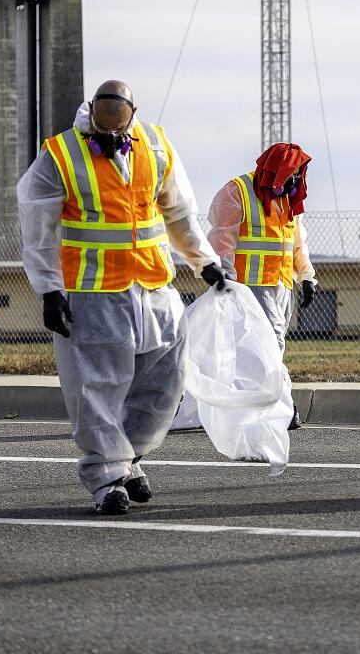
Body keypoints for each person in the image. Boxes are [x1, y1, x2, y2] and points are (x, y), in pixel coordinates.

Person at [17, 80, 225, 514]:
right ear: (91, 112)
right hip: (92, 293)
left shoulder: (156, 145)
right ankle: (107, 480)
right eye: (102, 130)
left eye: (118, 131)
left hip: (154, 288)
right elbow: (38, 229)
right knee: (96, 390)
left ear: (132, 115)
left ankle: (127, 459)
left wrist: (202, 261)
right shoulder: (61, 153)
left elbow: (178, 211)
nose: (110, 139)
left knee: (165, 385)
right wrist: (50, 291)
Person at [207, 143, 317, 352]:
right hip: (249, 283)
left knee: (263, 340)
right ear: (275, 172)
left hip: (282, 282)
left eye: (297, 175)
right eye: (289, 174)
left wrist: (306, 276)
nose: (293, 181)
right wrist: (224, 279)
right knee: (272, 338)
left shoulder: (290, 200)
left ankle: (254, 383)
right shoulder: (237, 191)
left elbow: (297, 243)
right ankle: (272, 384)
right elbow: (222, 241)